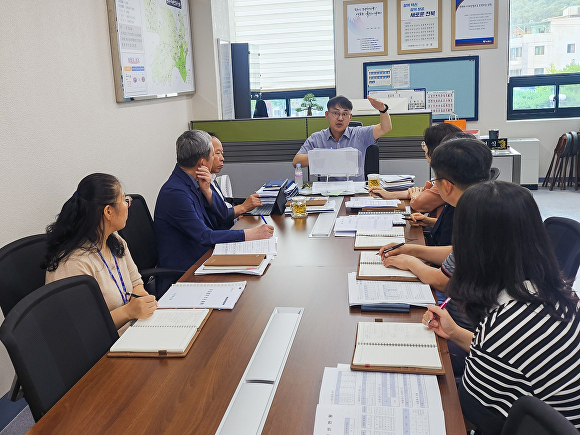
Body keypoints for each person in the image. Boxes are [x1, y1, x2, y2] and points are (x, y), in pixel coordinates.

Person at [422, 181, 580, 434]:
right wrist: (453, 333)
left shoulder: (502, 325)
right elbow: (512, 356)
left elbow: (467, 414)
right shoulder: (556, 294)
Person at [154, 130, 274, 285]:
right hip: (186, 272)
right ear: (203, 163)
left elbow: (222, 216)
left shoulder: (193, 181)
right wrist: (249, 234)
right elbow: (204, 235)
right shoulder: (176, 193)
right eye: (213, 154)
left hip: (204, 258)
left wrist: (208, 191)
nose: (218, 158)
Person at [44, 173, 157, 333]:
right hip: (100, 351)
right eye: (124, 200)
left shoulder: (115, 242)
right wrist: (128, 311)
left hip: (131, 333)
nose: (128, 204)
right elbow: (83, 329)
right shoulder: (72, 264)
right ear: (108, 212)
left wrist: (141, 301)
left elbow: (136, 283)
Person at [379, 137, 492, 294]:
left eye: (435, 180)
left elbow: (441, 281)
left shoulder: (473, 216)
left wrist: (409, 261)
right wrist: (411, 250)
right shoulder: (487, 203)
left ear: (446, 186)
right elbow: (459, 253)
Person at [369, 123, 462, 217]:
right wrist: (389, 194)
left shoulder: (448, 179)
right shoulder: (450, 172)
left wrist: (415, 196)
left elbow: (419, 204)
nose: (424, 148)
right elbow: (425, 191)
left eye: (426, 144)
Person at [292, 95, 392, 181]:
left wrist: (383, 110)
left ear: (350, 117)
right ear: (327, 114)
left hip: (355, 192)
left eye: (344, 114)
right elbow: (296, 162)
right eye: (336, 113)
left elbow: (385, 128)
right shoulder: (317, 138)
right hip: (327, 192)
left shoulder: (360, 134)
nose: (340, 118)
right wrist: (324, 155)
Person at [207, 133, 262, 229]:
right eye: (217, 153)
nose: (222, 158)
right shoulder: (202, 184)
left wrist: (237, 214)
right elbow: (219, 218)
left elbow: (223, 207)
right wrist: (243, 207)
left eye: (222, 154)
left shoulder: (212, 178)